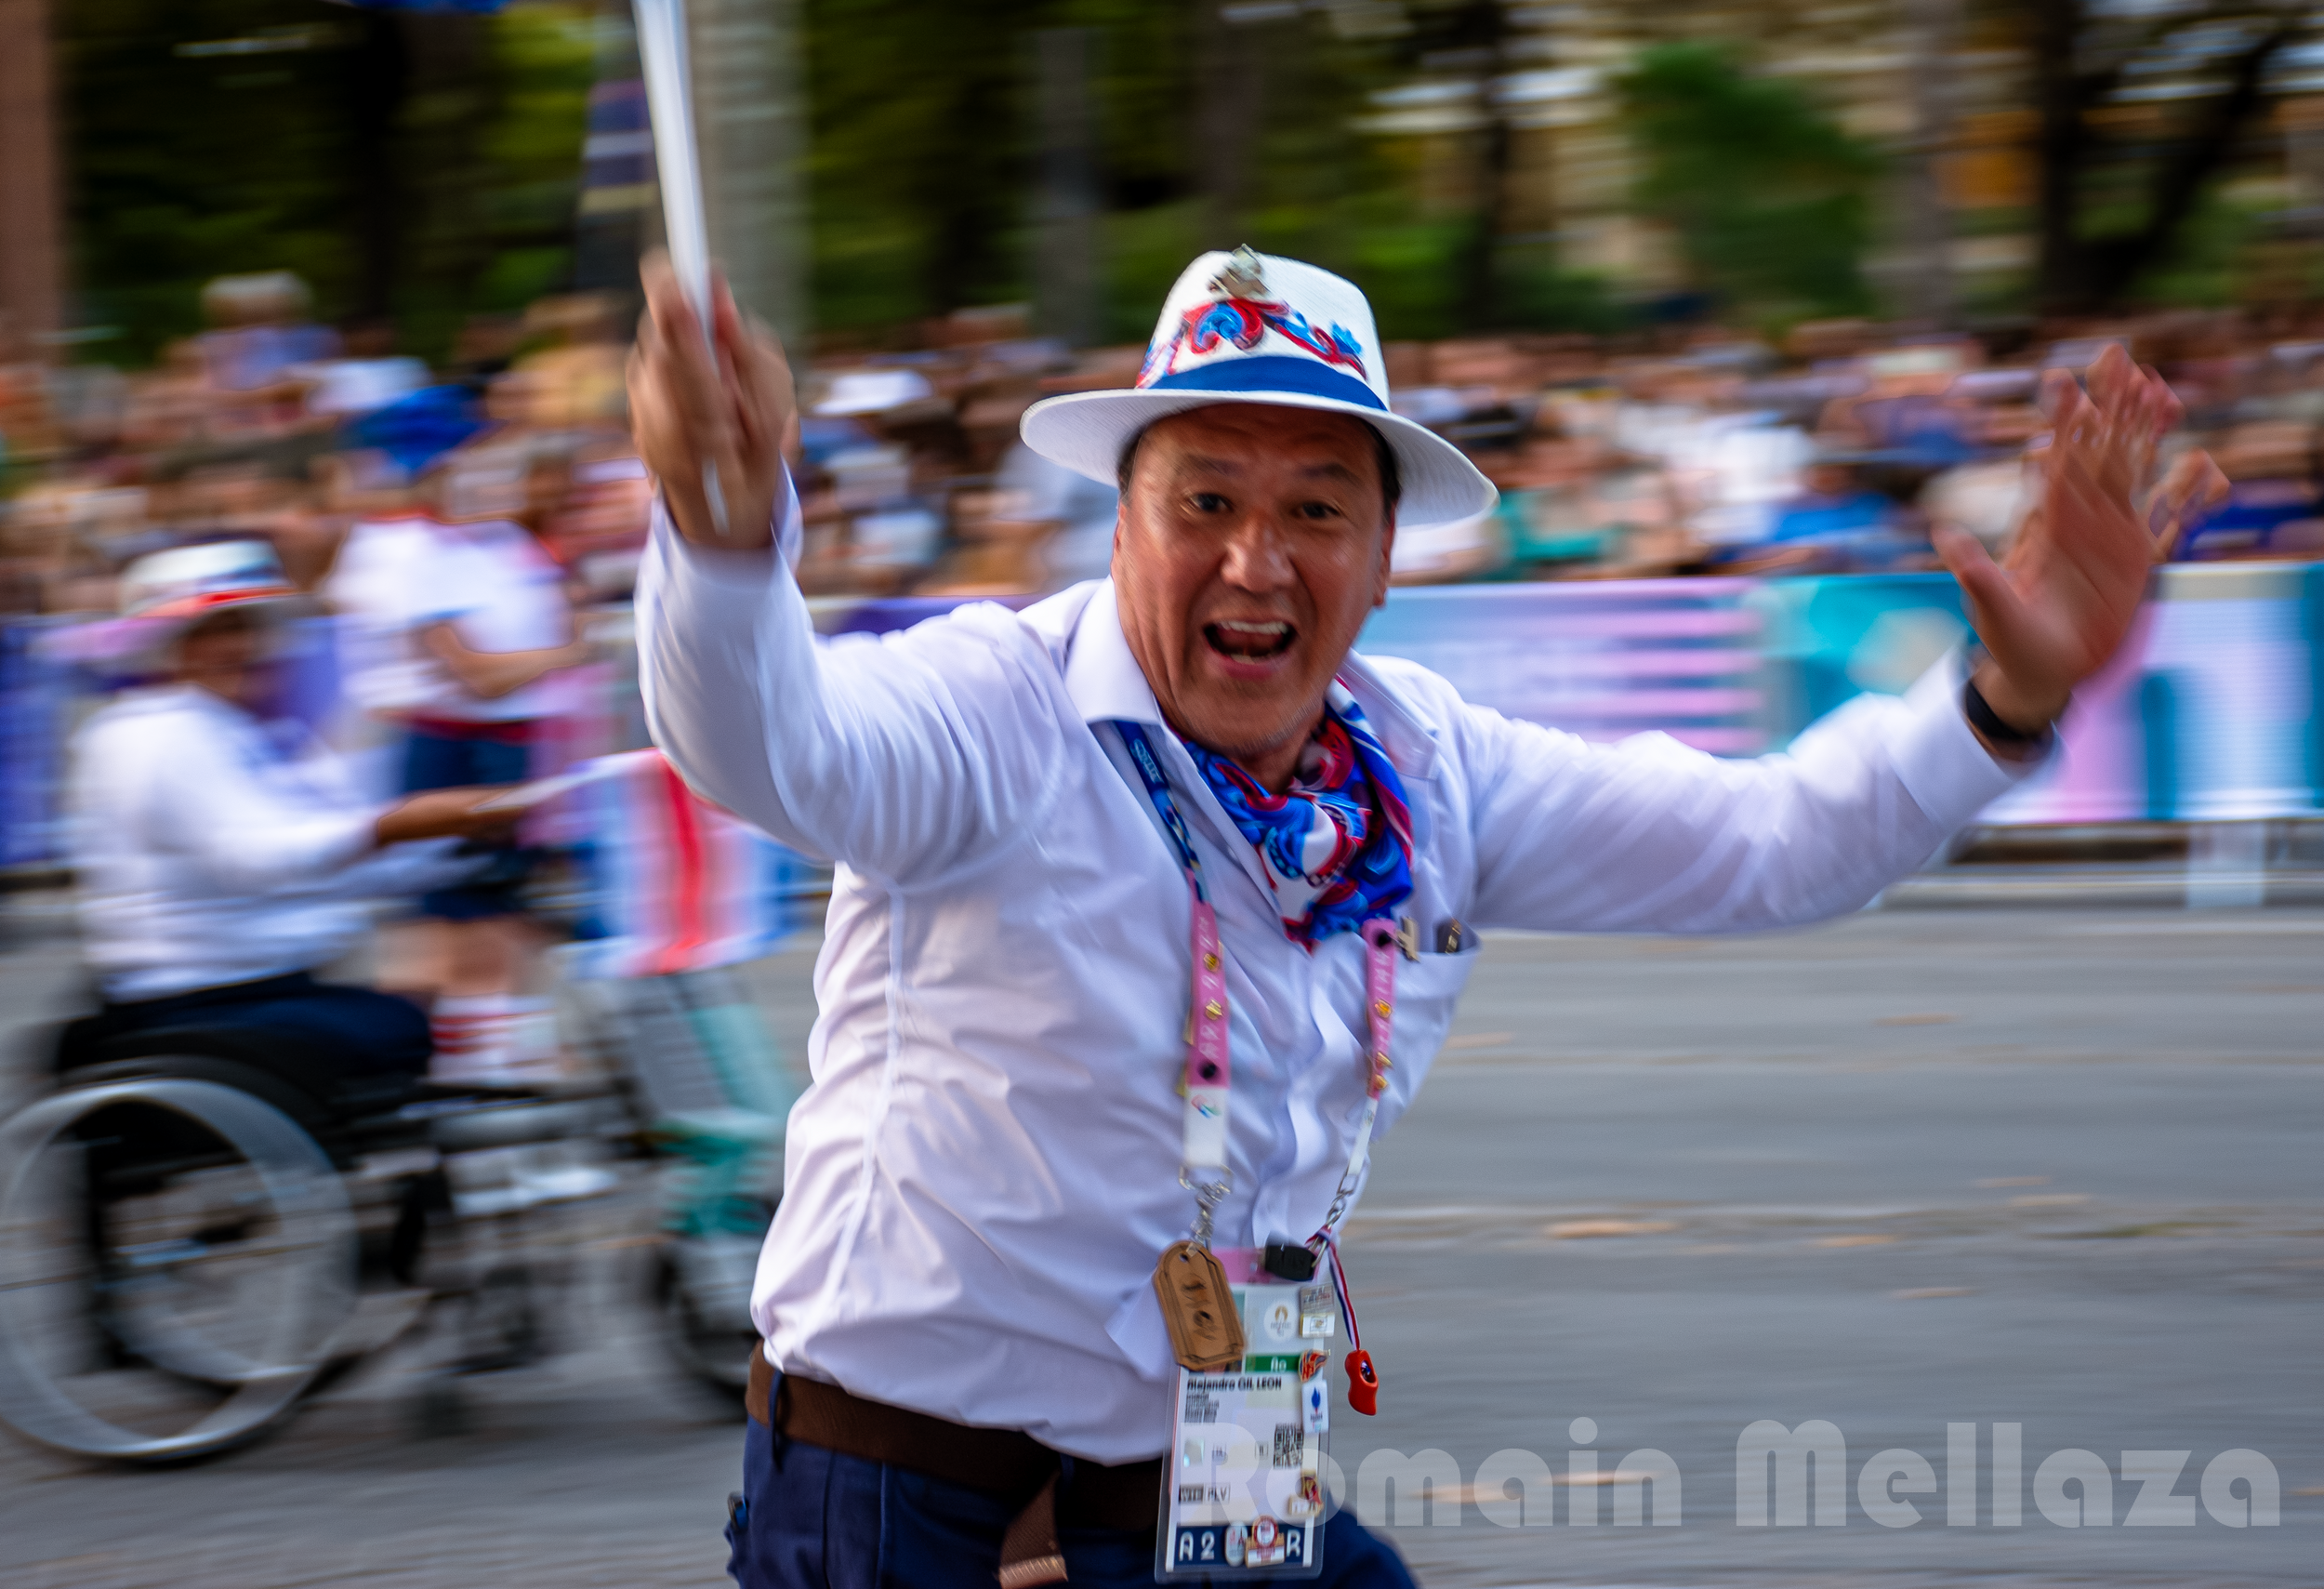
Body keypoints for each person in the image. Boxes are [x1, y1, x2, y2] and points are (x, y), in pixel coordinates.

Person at [627, 245, 2220, 1589]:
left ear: (1385, 559)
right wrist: (715, 542)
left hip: (1234, 1452)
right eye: (1205, 500)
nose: (1257, 559)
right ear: (1121, 525)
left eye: (1319, 508)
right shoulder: (992, 715)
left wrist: (2009, 692)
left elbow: (1773, 843)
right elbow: (770, 742)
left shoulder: (1431, 770)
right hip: (914, 1504)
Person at [65, 541, 520, 1086]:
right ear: (167, 647)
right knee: (403, 1024)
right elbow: (262, 859)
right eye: (217, 632)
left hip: (255, 987)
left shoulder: (233, 729)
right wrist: (401, 825)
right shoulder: (159, 735)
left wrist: (459, 846)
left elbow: (326, 856)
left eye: (250, 628)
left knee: (416, 1014)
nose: (247, 647)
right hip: (200, 999)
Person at [328, 388, 593, 1080]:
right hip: (449, 745)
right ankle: (440, 1068)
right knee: (456, 927)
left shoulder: (486, 540)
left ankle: (491, 1064)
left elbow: (541, 640)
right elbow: (478, 674)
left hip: (504, 743)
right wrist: (568, 656)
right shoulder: (407, 551)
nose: (488, 464)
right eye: (471, 451)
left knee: (496, 922)